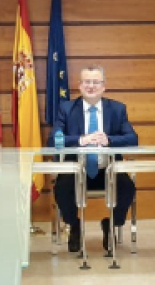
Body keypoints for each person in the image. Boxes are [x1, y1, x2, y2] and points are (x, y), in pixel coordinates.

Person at [52, 66, 138, 253]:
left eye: (95, 82)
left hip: (107, 170)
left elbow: (133, 138)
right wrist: (80, 140)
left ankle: (111, 224)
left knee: (127, 187)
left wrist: (109, 140)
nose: (91, 86)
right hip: (76, 170)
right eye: (86, 82)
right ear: (80, 86)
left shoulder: (117, 109)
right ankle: (75, 227)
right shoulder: (66, 109)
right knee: (61, 187)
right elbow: (53, 139)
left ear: (103, 86)